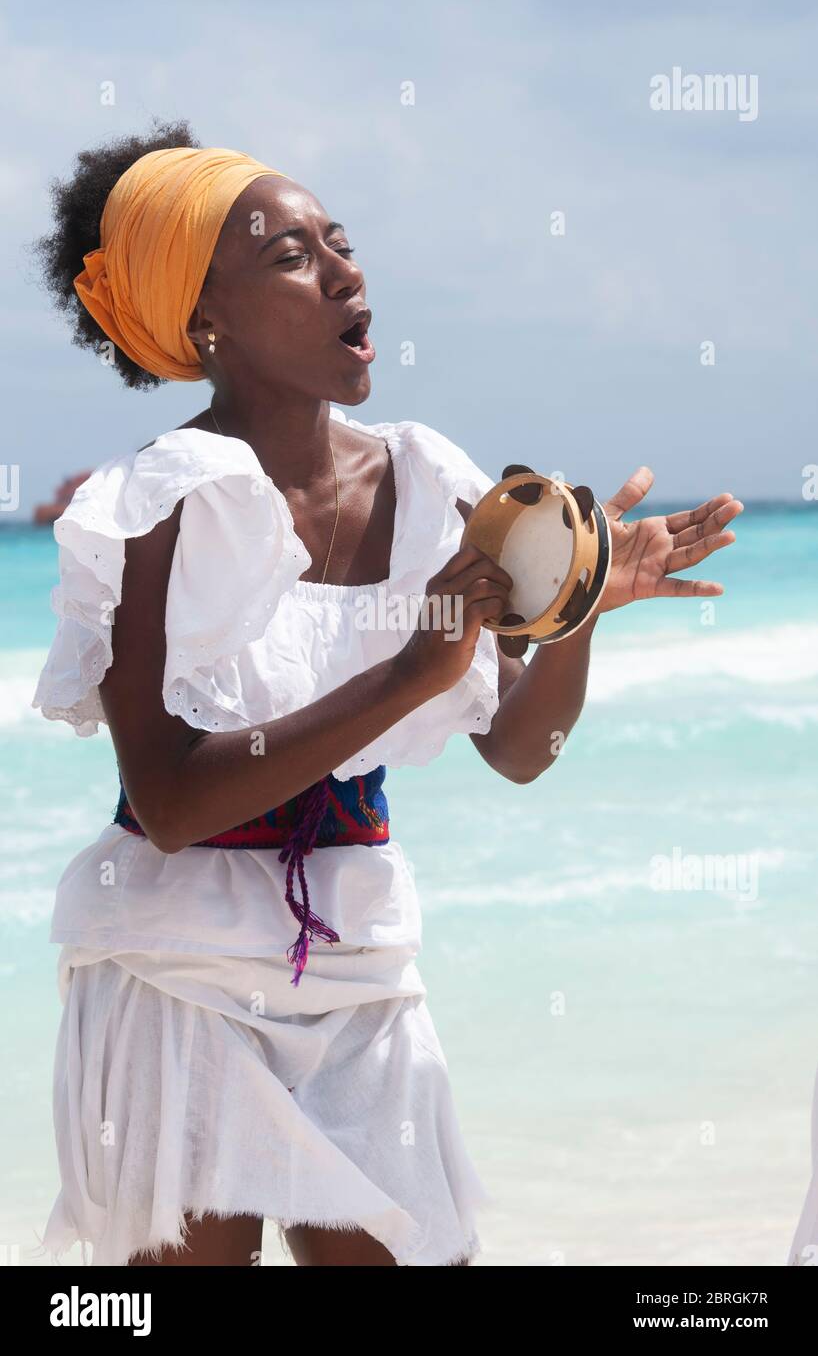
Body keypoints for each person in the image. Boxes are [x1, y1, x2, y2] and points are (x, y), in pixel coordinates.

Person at [31, 119, 742, 1267]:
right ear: (204, 322)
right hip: (173, 973)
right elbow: (167, 802)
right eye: (291, 256)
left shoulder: (427, 479)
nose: (346, 272)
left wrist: (575, 607)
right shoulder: (150, 509)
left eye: (341, 243)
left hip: (360, 966)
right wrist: (410, 669)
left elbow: (518, 748)